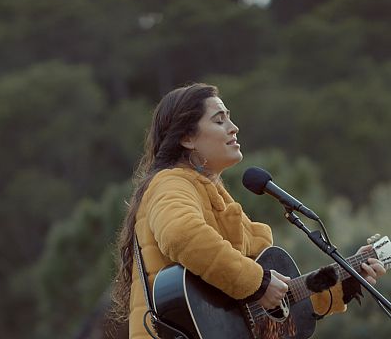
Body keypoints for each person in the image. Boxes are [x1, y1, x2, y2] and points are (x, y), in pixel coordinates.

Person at [110, 83, 386, 339]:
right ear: (187, 137)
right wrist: (258, 283)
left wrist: (345, 281)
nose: (234, 128)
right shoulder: (171, 182)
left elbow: (277, 301)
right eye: (219, 120)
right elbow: (182, 235)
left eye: (230, 118)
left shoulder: (215, 196)